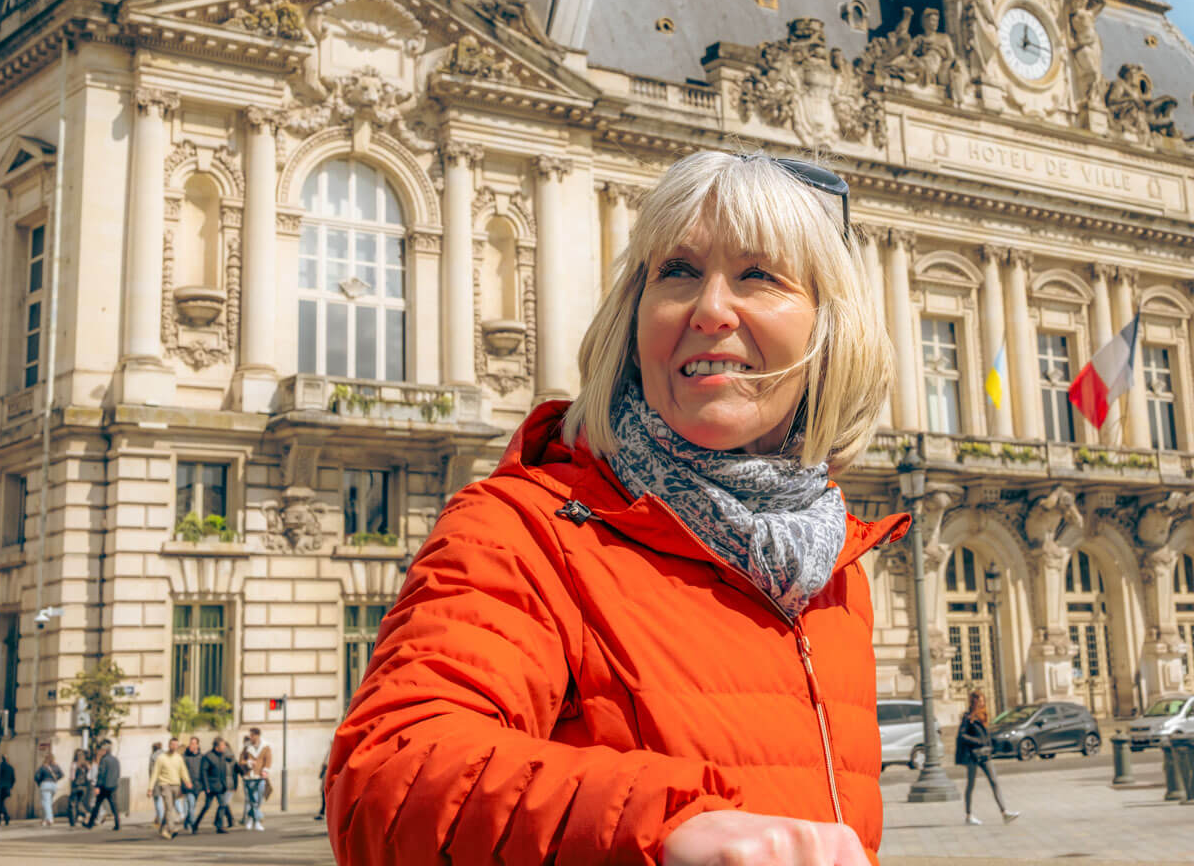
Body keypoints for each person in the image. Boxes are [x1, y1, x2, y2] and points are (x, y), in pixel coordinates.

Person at [328, 151, 902, 866]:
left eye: (759, 275)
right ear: (633, 318)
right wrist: (663, 827)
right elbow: (386, 778)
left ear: (830, 329)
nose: (711, 309)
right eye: (678, 271)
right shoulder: (523, 529)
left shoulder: (832, 566)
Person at [955, 691, 1018, 825]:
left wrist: (989, 745)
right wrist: (978, 741)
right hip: (973, 755)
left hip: (985, 754)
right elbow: (962, 735)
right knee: (970, 785)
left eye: (983, 700)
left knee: (994, 781)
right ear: (974, 702)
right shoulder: (968, 717)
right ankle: (968, 815)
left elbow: (985, 736)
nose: (982, 703)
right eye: (980, 701)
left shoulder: (983, 716)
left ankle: (1004, 813)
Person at [150, 738, 191, 840]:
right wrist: (150, 788)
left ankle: (162, 829)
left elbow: (183, 770)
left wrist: (187, 781)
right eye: (172, 744)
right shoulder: (161, 758)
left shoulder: (178, 758)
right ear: (169, 745)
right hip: (165, 785)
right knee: (169, 807)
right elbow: (155, 773)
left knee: (170, 808)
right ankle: (172, 828)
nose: (174, 746)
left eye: (176, 745)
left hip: (176, 785)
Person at [191, 738, 234, 834]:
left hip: (220, 786)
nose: (224, 747)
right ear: (217, 747)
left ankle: (219, 826)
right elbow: (204, 772)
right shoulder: (208, 756)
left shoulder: (223, 755)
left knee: (223, 804)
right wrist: (206, 786)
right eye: (223, 745)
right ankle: (195, 825)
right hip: (211, 786)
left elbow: (231, 759)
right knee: (207, 806)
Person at [85, 741, 121, 830]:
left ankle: (90, 824)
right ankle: (117, 824)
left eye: (101, 750)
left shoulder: (104, 760)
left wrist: (97, 786)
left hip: (104, 787)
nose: (100, 752)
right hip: (113, 786)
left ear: (105, 751)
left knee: (97, 805)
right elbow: (118, 773)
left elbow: (101, 774)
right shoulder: (115, 760)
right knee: (114, 806)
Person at [238, 729, 269, 830]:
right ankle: (256, 822)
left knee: (259, 799)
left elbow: (268, 760)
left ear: (257, 735)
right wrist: (248, 762)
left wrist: (265, 770)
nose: (250, 737)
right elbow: (240, 761)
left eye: (252, 735)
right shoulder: (246, 747)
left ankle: (251, 817)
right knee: (253, 800)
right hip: (249, 776)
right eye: (250, 735)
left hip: (260, 777)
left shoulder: (265, 746)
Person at [33, 743, 63, 827]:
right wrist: (56, 779)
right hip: (53, 785)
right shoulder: (56, 766)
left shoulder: (43, 767)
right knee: (48, 803)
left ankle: (49, 819)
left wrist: (39, 783)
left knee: (46, 803)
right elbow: (62, 774)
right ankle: (44, 820)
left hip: (45, 785)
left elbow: (36, 776)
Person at [180, 737, 203, 829]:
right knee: (191, 804)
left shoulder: (201, 757)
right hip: (188, 784)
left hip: (198, 785)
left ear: (197, 745)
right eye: (191, 743)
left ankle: (186, 822)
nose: (192, 745)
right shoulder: (184, 756)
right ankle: (193, 824)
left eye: (194, 743)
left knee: (192, 805)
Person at [66, 752, 92, 828]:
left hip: (76, 786)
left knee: (72, 804)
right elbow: (90, 776)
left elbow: (72, 777)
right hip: (84, 787)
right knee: (80, 803)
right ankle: (85, 814)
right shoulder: (86, 765)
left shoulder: (74, 765)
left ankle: (73, 822)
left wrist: (71, 785)